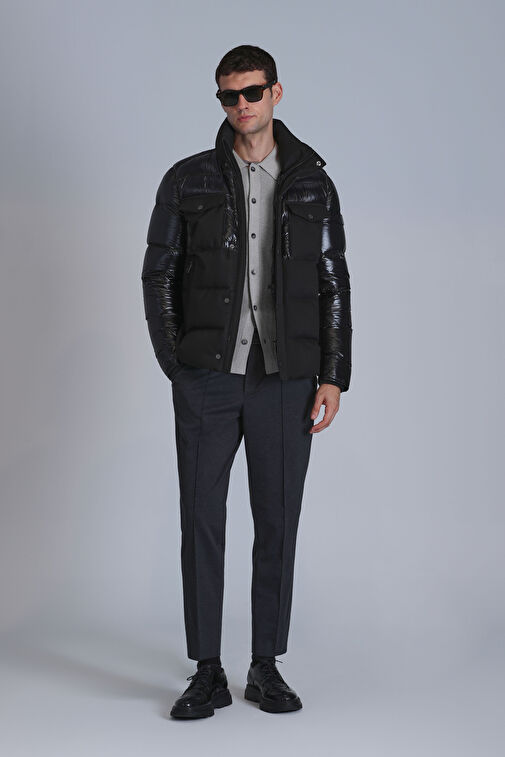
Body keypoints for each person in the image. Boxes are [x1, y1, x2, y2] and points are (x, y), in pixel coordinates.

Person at [141, 44, 352, 719]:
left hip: (286, 380)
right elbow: (158, 273)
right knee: (200, 520)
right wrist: (177, 364)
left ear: (275, 93)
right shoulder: (188, 179)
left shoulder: (312, 182)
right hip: (207, 377)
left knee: (277, 521)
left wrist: (333, 374)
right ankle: (206, 669)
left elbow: (333, 279)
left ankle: (265, 665)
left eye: (251, 92)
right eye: (228, 96)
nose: (240, 106)